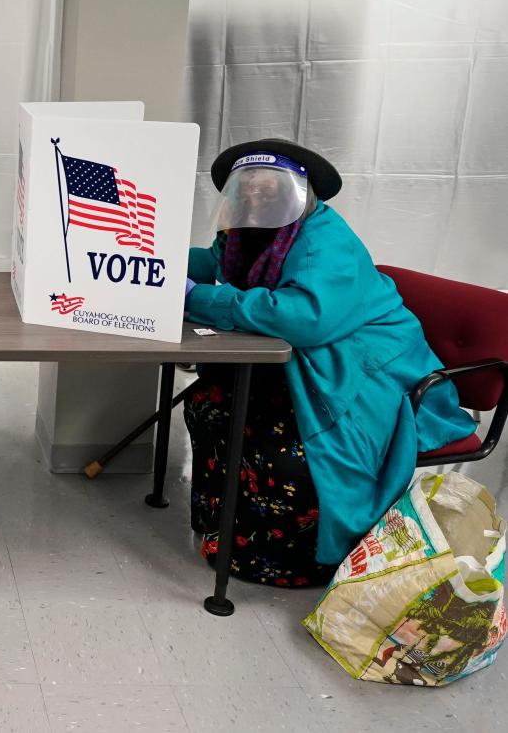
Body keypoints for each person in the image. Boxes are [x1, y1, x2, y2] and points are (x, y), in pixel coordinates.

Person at [182, 139, 476, 587]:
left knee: (288, 456)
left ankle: (304, 561)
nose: (257, 198)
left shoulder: (325, 240)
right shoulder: (244, 238)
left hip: (371, 372)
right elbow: (213, 263)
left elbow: (304, 317)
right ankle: (228, 530)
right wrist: (158, 259)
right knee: (210, 403)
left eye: (269, 190)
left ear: (299, 194)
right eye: (249, 191)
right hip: (318, 364)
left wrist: (199, 297)